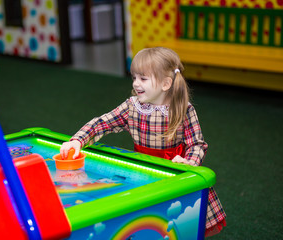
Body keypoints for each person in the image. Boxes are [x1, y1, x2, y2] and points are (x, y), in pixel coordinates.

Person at [60, 47, 226, 237]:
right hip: (143, 173)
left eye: (143, 79)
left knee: (175, 223)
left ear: (165, 84)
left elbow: (197, 144)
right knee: (144, 220)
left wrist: (189, 163)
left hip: (174, 174)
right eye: (134, 78)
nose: (136, 84)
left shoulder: (183, 109)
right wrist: (78, 140)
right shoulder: (132, 106)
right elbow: (102, 123)